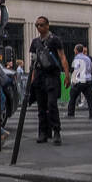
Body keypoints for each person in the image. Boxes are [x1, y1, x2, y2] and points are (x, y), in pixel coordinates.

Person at [29, 16, 70, 145]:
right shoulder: (35, 42)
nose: (39, 27)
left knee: (52, 104)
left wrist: (67, 75)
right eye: (37, 25)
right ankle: (43, 132)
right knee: (41, 107)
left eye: (41, 25)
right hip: (40, 77)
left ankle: (56, 131)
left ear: (47, 25)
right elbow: (33, 62)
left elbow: (62, 57)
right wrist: (32, 79)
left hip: (52, 75)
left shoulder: (55, 40)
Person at [66, 44, 92, 119]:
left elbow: (75, 70)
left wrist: (73, 81)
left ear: (76, 50)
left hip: (79, 81)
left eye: (74, 49)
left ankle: (70, 114)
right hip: (88, 81)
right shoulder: (88, 58)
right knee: (90, 99)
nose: (74, 51)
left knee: (72, 98)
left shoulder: (76, 58)